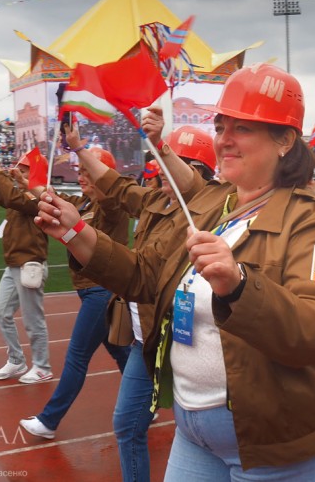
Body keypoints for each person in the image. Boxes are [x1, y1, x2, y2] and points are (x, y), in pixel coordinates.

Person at [34, 63, 315, 481]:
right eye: (222, 127)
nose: (225, 140)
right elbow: (144, 277)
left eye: (243, 128)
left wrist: (238, 284)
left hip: (275, 443)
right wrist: (76, 232)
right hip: (193, 430)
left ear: (285, 141)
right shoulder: (211, 205)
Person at [69, 118, 215, 482]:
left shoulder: (209, 214)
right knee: (126, 424)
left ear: (200, 172)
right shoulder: (155, 200)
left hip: (186, 341)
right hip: (146, 340)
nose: (161, 171)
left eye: (173, 163)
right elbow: (117, 186)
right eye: (160, 164)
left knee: (204, 431)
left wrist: (161, 144)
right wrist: (78, 147)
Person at [19, 147, 131, 439]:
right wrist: (32, 179)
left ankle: (49, 420)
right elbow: (45, 197)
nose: (81, 176)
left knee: (77, 357)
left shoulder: (112, 206)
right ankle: (147, 402)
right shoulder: (82, 203)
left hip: (101, 291)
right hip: (89, 289)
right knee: (122, 353)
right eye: (79, 171)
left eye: (86, 172)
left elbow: (104, 199)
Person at [0, 150, 51, 383]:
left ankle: (42, 366)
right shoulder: (17, 193)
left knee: (32, 319)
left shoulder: (41, 197)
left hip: (30, 264)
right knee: (0, 313)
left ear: (35, 174)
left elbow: (12, 198)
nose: (17, 171)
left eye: (24, 170)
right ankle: (17, 360)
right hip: (14, 264)